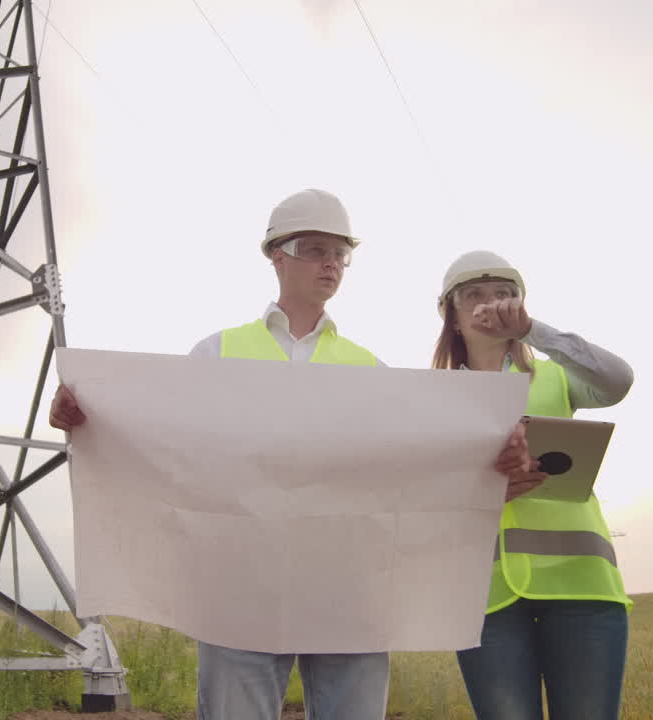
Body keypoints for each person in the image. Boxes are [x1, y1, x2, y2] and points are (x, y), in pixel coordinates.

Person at [51, 191, 541, 720]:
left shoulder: (369, 369)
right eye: (314, 248)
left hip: (349, 587)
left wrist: (489, 462)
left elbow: (406, 469)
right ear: (275, 255)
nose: (331, 263)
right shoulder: (217, 354)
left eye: (340, 253)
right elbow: (167, 445)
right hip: (240, 588)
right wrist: (90, 411)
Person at [433, 250, 634, 720]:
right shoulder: (432, 398)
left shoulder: (557, 376)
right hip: (486, 599)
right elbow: (420, 500)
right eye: (474, 296)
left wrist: (532, 331)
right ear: (452, 317)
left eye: (506, 295)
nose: (491, 304)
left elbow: (618, 380)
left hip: (583, 588)